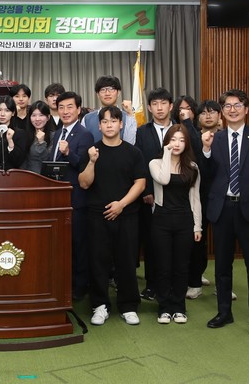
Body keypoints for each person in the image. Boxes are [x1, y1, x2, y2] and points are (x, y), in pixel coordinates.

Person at [202, 89, 249, 337]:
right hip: (222, 209)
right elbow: (207, 175)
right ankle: (224, 312)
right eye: (227, 106)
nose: (232, 110)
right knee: (222, 265)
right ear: (222, 111)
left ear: (246, 109)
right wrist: (206, 151)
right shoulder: (215, 139)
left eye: (237, 105)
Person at [78, 106, 146, 326]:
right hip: (97, 216)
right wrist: (91, 161)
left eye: (113, 121)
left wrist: (121, 204)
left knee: (127, 261)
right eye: (105, 121)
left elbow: (140, 183)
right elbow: (84, 183)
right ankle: (100, 305)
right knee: (98, 262)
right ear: (99, 126)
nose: (109, 125)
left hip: (127, 215)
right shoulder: (92, 151)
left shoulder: (133, 152)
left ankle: (129, 305)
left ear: (121, 124)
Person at [149, 124, 202, 325]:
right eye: (173, 140)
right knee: (163, 266)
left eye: (181, 140)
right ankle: (164, 307)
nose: (177, 144)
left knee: (181, 267)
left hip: (184, 220)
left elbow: (195, 198)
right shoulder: (155, 163)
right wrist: (166, 153)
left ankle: (179, 307)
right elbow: (163, 179)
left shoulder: (193, 167)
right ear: (166, 142)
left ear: (187, 143)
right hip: (161, 220)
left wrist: (197, 226)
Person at [48, 91, 94, 301]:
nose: (65, 111)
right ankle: (64, 282)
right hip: (58, 197)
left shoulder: (85, 134)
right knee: (62, 244)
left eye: (69, 107)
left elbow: (84, 166)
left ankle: (80, 286)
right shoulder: (58, 133)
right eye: (61, 107)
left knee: (78, 244)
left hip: (77, 198)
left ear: (78, 109)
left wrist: (68, 153)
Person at [134, 87, 175, 301]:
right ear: (149, 108)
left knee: (173, 243)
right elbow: (139, 163)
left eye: (163, 103)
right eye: (155, 104)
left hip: (176, 196)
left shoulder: (179, 130)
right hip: (150, 197)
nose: (159, 108)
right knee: (151, 242)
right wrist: (147, 191)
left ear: (171, 106)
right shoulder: (142, 131)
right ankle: (151, 285)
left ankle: (172, 285)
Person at [81, 75, 137, 144]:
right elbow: (83, 144)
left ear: (118, 93)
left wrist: (130, 114)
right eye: (103, 90)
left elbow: (130, 144)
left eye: (111, 89)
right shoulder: (87, 119)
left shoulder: (127, 117)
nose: (107, 93)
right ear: (98, 94)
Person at [0, 95, 27, 171]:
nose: (2, 114)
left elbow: (18, 162)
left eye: (7, 110)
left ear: (13, 113)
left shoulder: (20, 134)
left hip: (11, 176)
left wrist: (10, 141)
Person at [21, 100, 56, 173]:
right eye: (34, 115)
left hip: (46, 177)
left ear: (48, 117)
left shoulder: (54, 136)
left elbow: (48, 160)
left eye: (41, 115)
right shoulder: (25, 135)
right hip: (28, 176)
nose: (37, 119)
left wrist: (41, 142)